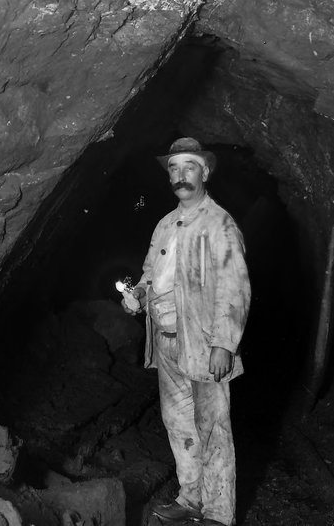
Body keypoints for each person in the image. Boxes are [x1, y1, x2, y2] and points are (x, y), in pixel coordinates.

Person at [122, 137, 251, 526]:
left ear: (205, 172)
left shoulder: (220, 224)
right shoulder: (164, 223)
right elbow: (151, 274)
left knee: (212, 429)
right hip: (165, 343)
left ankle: (218, 514)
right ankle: (190, 498)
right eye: (174, 169)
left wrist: (224, 344)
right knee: (178, 424)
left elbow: (235, 287)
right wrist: (138, 297)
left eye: (189, 167)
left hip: (203, 343)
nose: (180, 176)